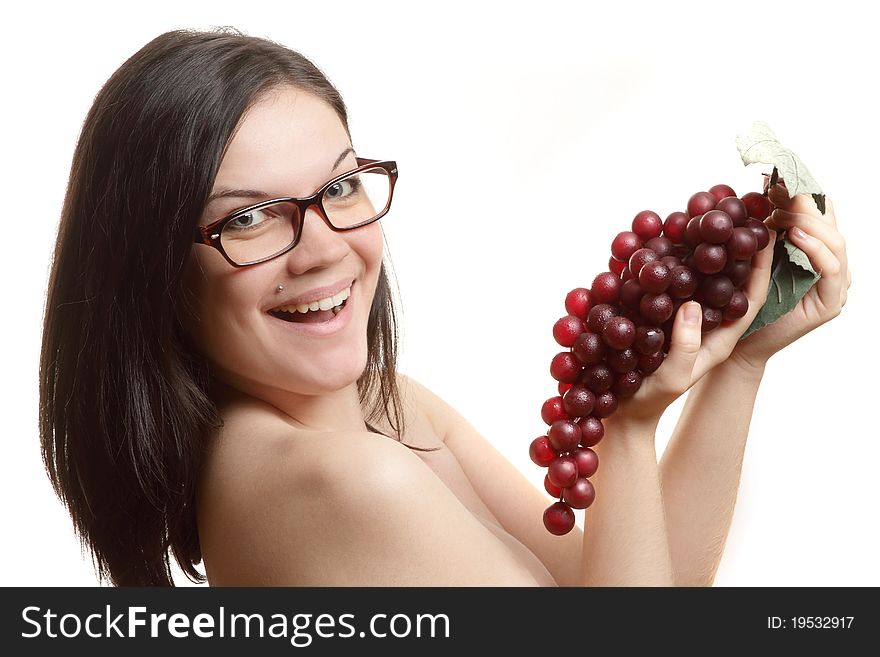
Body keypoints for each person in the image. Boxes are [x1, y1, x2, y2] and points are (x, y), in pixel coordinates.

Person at [39, 28, 850, 587]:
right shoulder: (336, 477)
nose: (322, 247)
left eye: (339, 186)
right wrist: (630, 430)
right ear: (152, 272)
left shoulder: (380, 404)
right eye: (248, 217)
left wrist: (741, 362)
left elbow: (622, 585)